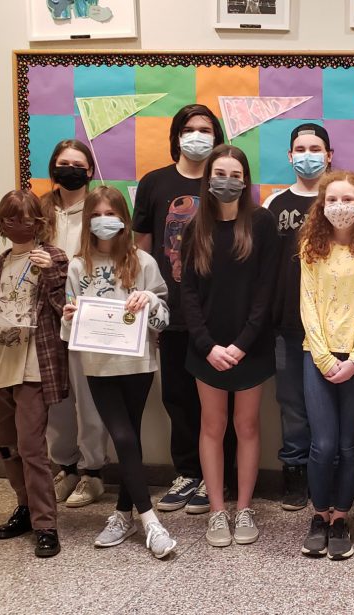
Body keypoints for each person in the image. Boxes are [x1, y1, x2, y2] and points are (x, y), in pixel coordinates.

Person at [60, 186, 176, 558]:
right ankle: (150, 520)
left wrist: (150, 299)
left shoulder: (143, 261)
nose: (104, 221)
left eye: (111, 213)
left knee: (131, 438)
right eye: (96, 214)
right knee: (123, 436)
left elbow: (164, 318)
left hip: (138, 362)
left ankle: (123, 513)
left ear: (124, 218)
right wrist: (69, 318)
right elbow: (69, 331)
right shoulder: (78, 266)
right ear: (87, 220)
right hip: (98, 365)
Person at [132, 104, 228, 514]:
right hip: (168, 312)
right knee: (177, 396)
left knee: (220, 401)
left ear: (217, 136)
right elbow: (140, 249)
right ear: (176, 136)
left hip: (217, 314)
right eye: (189, 129)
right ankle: (188, 471)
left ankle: (216, 476)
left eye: (205, 129)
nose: (197, 136)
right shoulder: (154, 183)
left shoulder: (226, 182)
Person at [181, 144, 278, 548]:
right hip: (206, 347)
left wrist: (240, 345)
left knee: (248, 426)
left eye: (235, 175)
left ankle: (244, 508)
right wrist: (207, 345)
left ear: (245, 180)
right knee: (211, 426)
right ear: (208, 179)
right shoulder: (194, 227)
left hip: (250, 346)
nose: (227, 181)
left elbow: (266, 291)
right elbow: (186, 291)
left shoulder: (262, 222)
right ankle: (217, 511)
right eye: (220, 173)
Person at [0, 190, 69, 558]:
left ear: (38, 223)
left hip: (34, 366)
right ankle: (24, 507)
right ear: (1, 223)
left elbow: (64, 310)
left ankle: (46, 524)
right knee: (6, 446)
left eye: (25, 219)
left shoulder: (54, 258)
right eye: (9, 219)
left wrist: (52, 274)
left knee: (31, 447)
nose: (17, 226)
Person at [296, 171, 354, 560]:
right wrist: (322, 357)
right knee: (323, 445)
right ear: (322, 204)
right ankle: (319, 515)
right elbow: (308, 304)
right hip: (315, 356)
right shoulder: (310, 247)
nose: (339, 206)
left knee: (350, 444)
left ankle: (341, 519)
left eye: (348, 199)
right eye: (331, 199)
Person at [263, 123, 333, 511]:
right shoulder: (274, 205)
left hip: (332, 325)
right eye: (300, 148)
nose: (308, 155)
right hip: (286, 324)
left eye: (316, 148)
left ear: (329, 155)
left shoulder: (340, 200)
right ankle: (295, 470)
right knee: (291, 401)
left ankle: (329, 470)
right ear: (290, 156)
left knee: (328, 401)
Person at [39, 139, 109, 508]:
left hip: (91, 315)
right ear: (53, 168)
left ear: (89, 171)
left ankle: (92, 471)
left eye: (78, 163)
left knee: (88, 395)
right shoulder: (42, 211)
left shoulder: (99, 209)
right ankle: (64, 465)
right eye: (63, 162)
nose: (71, 169)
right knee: (56, 396)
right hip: (49, 316)